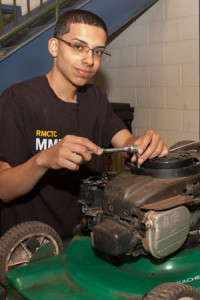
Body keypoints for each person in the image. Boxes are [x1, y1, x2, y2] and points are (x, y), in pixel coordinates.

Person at [0, 9, 168, 238]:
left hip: (84, 241)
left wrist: (146, 144)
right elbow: (4, 189)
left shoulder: (95, 98)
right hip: (33, 247)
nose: (89, 60)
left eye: (98, 52)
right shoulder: (17, 99)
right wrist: (43, 160)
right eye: (78, 46)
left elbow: (126, 141)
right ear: (54, 47)